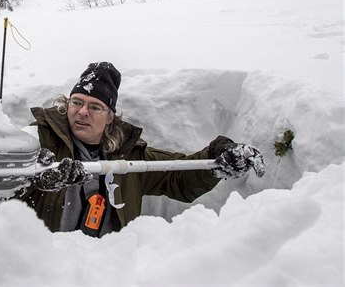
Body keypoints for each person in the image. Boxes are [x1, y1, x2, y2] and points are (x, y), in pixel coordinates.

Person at [18, 61, 265, 237]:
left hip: (108, 269)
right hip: (46, 270)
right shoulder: (38, 139)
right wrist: (35, 179)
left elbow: (178, 176)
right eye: (77, 102)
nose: (82, 112)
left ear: (109, 118)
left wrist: (216, 156)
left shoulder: (130, 156)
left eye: (94, 107)